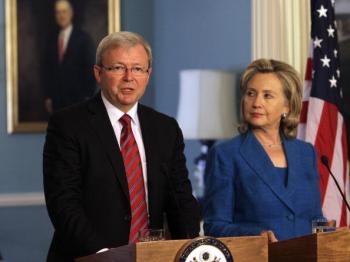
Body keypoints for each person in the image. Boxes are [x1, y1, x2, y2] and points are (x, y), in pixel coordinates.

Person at [43, 31, 200, 261]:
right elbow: (64, 204)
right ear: (98, 73)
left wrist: (191, 248)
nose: (129, 77)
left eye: (137, 68)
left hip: (152, 256)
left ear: (148, 74)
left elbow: (181, 198)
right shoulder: (68, 125)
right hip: (89, 256)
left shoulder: (165, 128)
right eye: (118, 68)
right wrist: (105, 256)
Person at [203, 58, 324, 242]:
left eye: (267, 95)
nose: (256, 102)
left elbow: (315, 218)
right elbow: (214, 225)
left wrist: (329, 230)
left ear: (287, 106)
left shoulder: (306, 153)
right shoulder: (226, 155)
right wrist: (255, 236)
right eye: (251, 93)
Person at [44, 0, 96, 113]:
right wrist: (48, 96)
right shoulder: (52, 39)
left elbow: (90, 69)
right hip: (57, 102)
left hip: (78, 101)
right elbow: (48, 70)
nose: (61, 15)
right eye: (58, 12)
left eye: (64, 11)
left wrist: (87, 97)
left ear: (71, 13)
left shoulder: (83, 38)